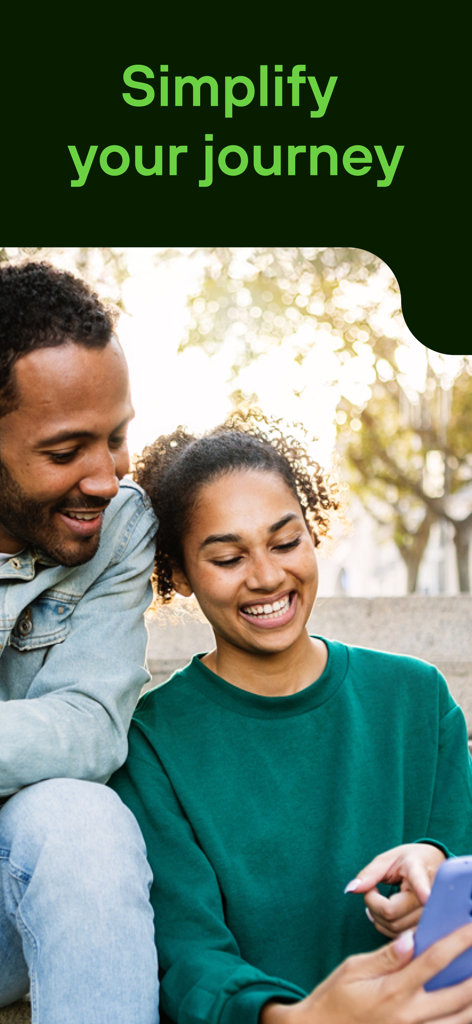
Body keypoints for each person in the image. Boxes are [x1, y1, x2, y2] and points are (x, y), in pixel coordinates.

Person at [110, 411, 472, 1024]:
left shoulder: (417, 697)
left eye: (286, 542)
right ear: (177, 574)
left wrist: (435, 867)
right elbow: (188, 955)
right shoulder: (150, 742)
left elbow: (460, 852)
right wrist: (296, 1019)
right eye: (228, 558)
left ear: (313, 532)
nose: (268, 576)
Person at [0, 262, 159, 1023]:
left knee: (81, 817)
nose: (106, 477)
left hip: (15, 889)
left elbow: (94, 726)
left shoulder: (119, 526)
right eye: (67, 452)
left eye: (118, 438)